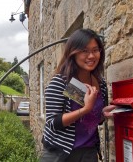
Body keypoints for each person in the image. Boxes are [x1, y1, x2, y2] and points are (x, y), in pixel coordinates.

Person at [40, 29, 116, 162]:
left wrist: (102, 113)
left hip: (89, 152)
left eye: (95, 50)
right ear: (73, 53)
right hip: (61, 154)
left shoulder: (100, 83)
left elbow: (94, 120)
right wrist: (86, 109)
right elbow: (53, 123)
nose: (91, 56)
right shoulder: (61, 82)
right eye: (84, 51)